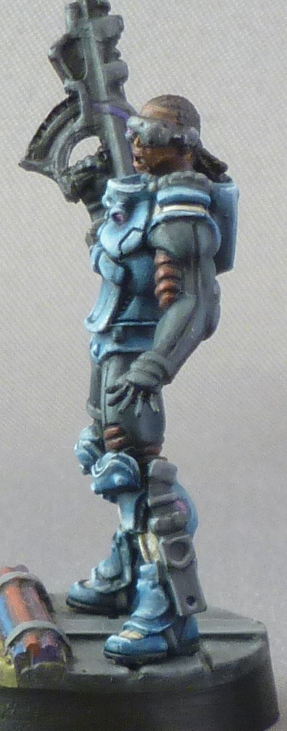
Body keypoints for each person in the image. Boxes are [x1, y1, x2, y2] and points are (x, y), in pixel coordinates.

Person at [67, 94, 238, 665]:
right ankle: (125, 571)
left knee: (144, 478)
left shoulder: (183, 209)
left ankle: (167, 610)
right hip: (109, 346)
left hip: (137, 352)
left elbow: (197, 303)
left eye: (152, 136)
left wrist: (154, 365)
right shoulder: (138, 194)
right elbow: (118, 256)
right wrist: (96, 193)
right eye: (134, 132)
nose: (137, 145)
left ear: (184, 145)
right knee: (101, 454)